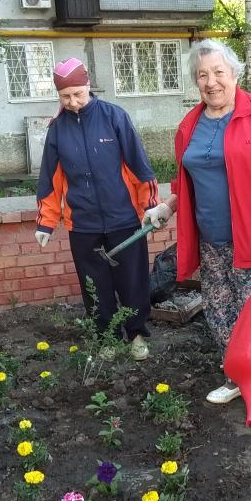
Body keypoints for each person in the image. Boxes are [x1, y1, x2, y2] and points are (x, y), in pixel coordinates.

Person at [143, 39, 251, 423]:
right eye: (202, 75)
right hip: (212, 242)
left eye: (218, 72)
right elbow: (185, 180)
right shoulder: (189, 125)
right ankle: (239, 376)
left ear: (235, 74)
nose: (211, 82)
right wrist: (166, 207)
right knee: (221, 313)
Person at [34, 58, 158, 361]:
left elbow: (139, 165)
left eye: (78, 93)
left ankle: (137, 333)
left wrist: (150, 206)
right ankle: (107, 338)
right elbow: (49, 180)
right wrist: (45, 223)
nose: (73, 101)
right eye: (65, 96)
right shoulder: (57, 130)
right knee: (95, 287)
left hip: (124, 219)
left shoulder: (114, 117)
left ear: (88, 86)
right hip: (83, 224)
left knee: (133, 280)